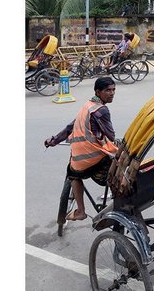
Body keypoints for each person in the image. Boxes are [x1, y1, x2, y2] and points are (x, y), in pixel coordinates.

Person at [44, 77, 118, 221]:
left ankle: (81, 211)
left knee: (73, 173)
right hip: (93, 158)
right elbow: (111, 135)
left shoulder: (87, 105)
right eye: (108, 90)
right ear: (98, 91)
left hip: (81, 158)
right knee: (112, 169)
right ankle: (83, 211)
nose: (112, 93)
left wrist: (53, 141)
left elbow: (70, 127)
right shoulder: (102, 110)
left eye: (113, 90)